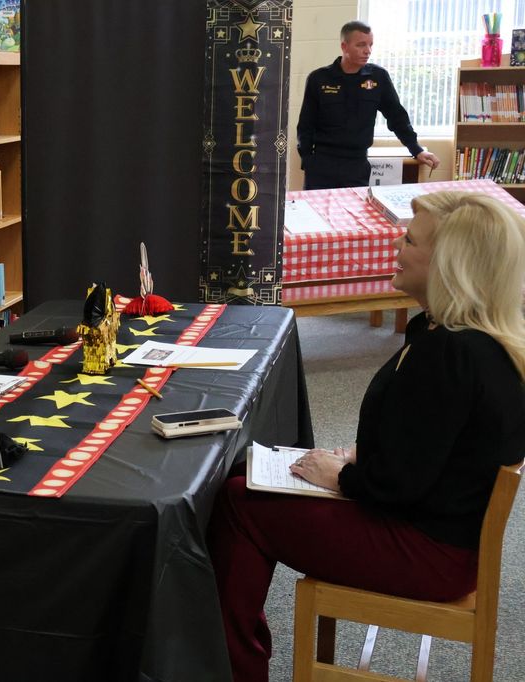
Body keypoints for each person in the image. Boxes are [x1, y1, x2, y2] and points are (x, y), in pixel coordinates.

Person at [208, 191, 525, 681]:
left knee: (237, 502)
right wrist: (363, 458)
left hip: (426, 552)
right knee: (248, 481)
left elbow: (398, 485)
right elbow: (437, 451)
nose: (395, 248)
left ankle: (234, 668)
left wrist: (345, 475)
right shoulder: (462, 338)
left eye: (409, 240)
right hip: (440, 535)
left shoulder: (451, 353)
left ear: (449, 263)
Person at [297, 20, 441, 189]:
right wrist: (308, 161)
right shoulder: (319, 79)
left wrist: (416, 150)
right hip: (322, 164)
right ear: (344, 46)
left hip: (356, 165)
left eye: (370, 45)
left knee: (354, 215)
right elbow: (305, 125)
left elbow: (397, 117)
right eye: (361, 45)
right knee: (315, 214)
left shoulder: (378, 78)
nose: (368, 51)